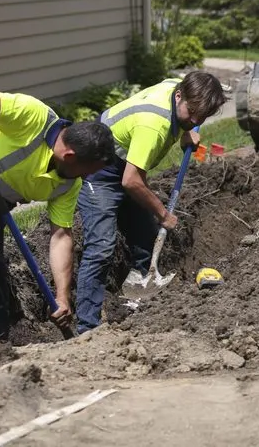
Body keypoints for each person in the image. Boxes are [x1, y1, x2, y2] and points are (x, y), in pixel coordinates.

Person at [0, 90, 117, 351]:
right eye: (88, 171)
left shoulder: (68, 184)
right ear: (70, 157)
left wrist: (62, 298)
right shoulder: (34, 116)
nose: (87, 178)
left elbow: (60, 236)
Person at [74, 72, 226, 334]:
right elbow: (131, 181)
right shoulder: (154, 125)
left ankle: (140, 285)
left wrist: (184, 132)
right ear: (179, 95)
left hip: (124, 157)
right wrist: (163, 214)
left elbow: (180, 117)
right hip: (98, 166)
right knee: (101, 247)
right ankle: (87, 327)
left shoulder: (174, 89)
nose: (196, 120)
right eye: (191, 113)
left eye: (202, 117)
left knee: (145, 232)